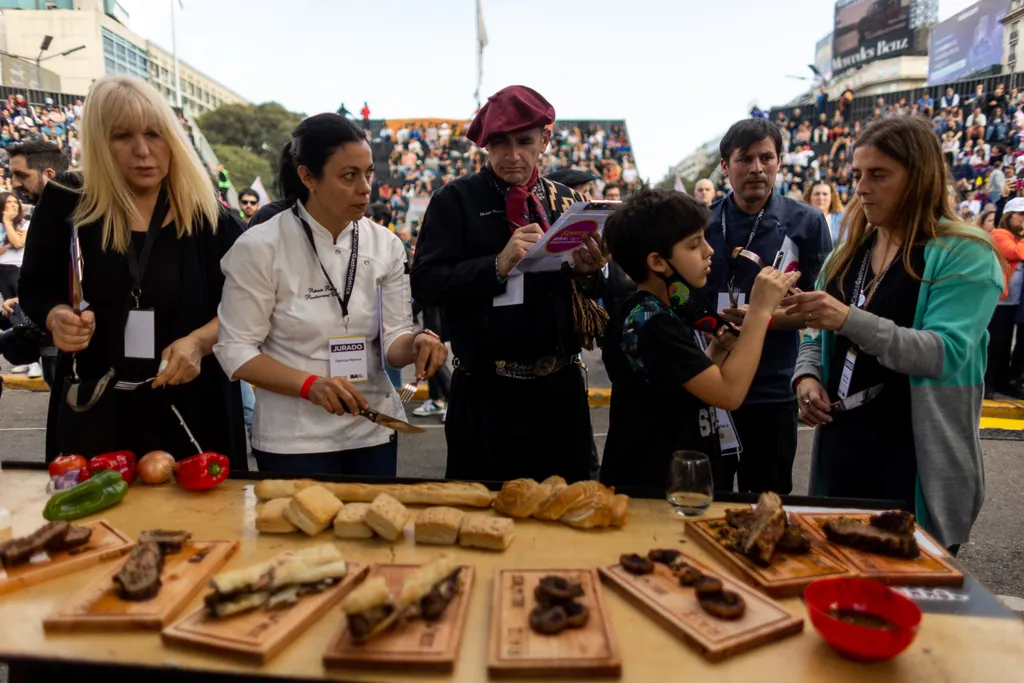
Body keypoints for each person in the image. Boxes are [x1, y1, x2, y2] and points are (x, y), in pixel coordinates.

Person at [788, 115, 1003, 551]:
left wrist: (848, 318)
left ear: (919, 177)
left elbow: (942, 354)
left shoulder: (965, 255)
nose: (862, 187)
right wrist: (807, 375)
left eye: (878, 175)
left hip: (913, 460)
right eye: (857, 175)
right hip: (843, 448)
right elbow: (815, 329)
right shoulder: (849, 251)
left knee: (913, 604)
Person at [18, 75, 247, 467]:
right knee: (95, 526)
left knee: (203, 524)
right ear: (97, 141)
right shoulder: (66, 201)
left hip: (194, 407)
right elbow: (35, 288)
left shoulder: (207, 212)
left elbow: (247, 306)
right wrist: (57, 318)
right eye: (122, 136)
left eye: (155, 134)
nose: (143, 151)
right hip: (96, 407)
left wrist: (200, 342)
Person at [214, 113, 448, 475]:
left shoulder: (385, 244)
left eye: (368, 173)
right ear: (308, 177)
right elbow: (236, 350)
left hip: (373, 427)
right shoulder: (260, 246)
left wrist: (417, 342)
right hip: (293, 437)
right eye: (349, 176)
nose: (366, 188)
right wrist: (310, 385)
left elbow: (394, 341)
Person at [411, 85, 608, 483]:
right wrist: (496, 266)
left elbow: (588, 295)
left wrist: (590, 272)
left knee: (566, 521)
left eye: (524, 141)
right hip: (486, 394)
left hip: (561, 391)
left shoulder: (566, 201)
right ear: (485, 146)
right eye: (499, 143)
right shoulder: (455, 200)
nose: (512, 155)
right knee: (483, 520)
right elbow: (426, 283)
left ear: (545, 140)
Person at [600, 189, 799, 490]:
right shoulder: (650, 322)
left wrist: (717, 347)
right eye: (694, 244)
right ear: (658, 262)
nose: (709, 251)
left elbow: (683, 384)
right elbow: (728, 394)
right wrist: (760, 311)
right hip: (655, 490)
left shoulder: (661, 309)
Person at [701, 117, 832, 494]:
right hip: (712, 383)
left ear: (779, 161)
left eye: (766, 157)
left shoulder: (806, 222)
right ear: (725, 166)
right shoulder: (703, 222)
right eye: (745, 158)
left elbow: (818, 308)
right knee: (710, 500)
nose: (757, 168)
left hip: (773, 390)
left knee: (767, 501)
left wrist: (765, 319)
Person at [4, 141, 70, 385]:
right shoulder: (45, 215)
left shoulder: (77, 217)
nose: (15, 184)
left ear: (49, 175)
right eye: (13, 176)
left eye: (22, 175)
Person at [985, 197, 1024, 398]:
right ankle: (987, 383)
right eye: (1020, 214)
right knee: (994, 344)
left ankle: (999, 381)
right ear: (1009, 215)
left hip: (1012, 302)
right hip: (997, 301)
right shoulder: (999, 234)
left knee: (1004, 343)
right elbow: (1014, 251)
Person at [803, 181, 844, 245]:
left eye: (825, 194)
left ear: (832, 197)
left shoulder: (843, 218)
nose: (821, 198)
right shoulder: (800, 219)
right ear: (809, 197)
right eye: (817, 194)